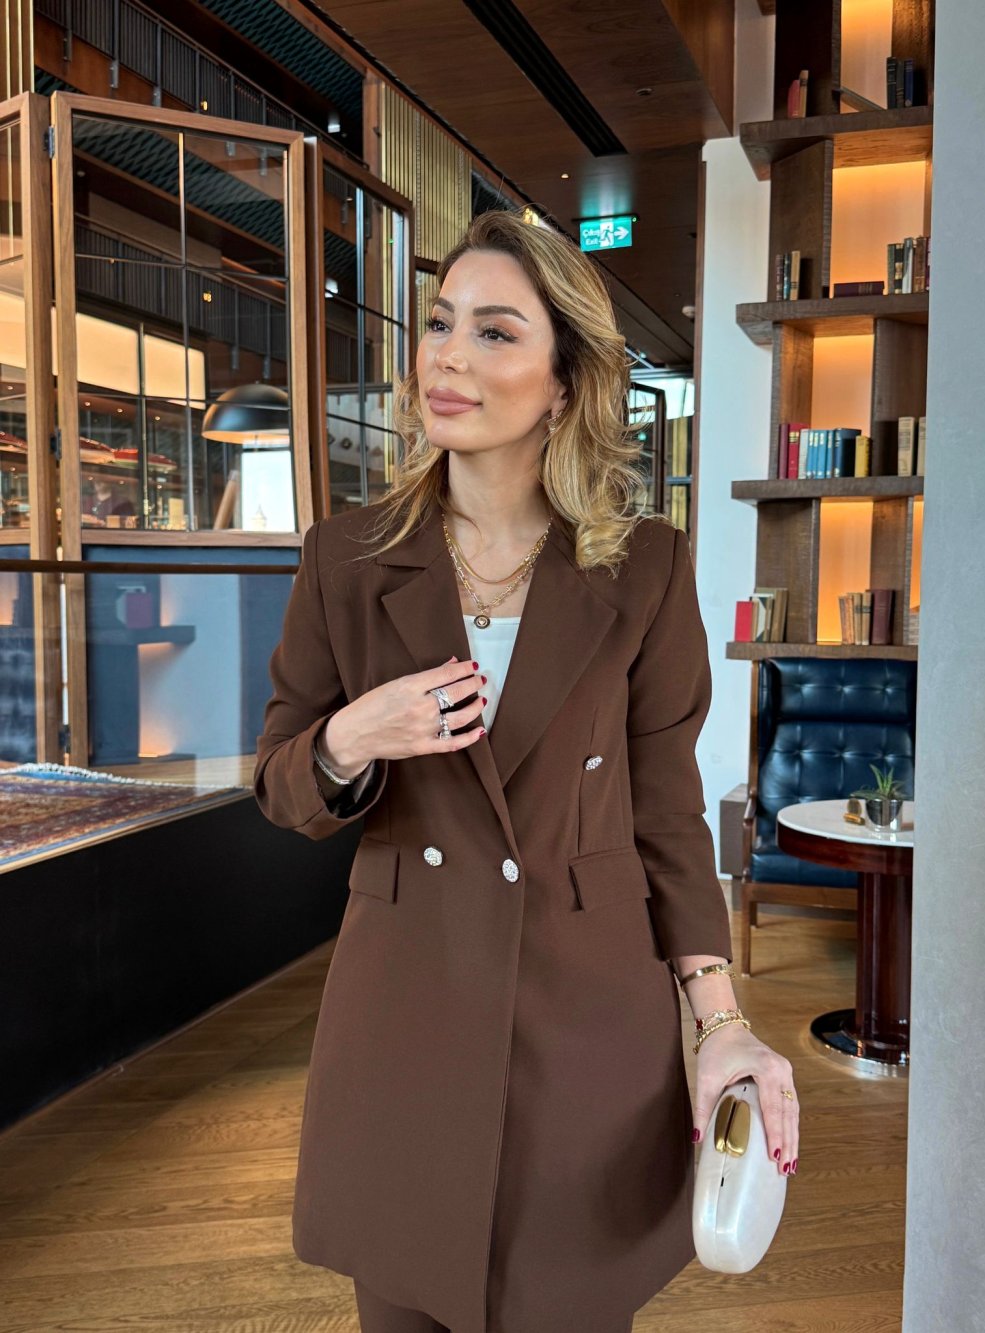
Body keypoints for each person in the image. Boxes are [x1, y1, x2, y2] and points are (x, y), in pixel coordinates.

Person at [254, 210, 799, 1333]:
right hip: (405, 1013)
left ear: (564, 383)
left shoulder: (644, 568)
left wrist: (719, 1021)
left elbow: (665, 814)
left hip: (587, 1017)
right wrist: (353, 735)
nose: (448, 356)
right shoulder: (345, 560)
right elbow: (280, 783)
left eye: (495, 332)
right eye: (440, 322)